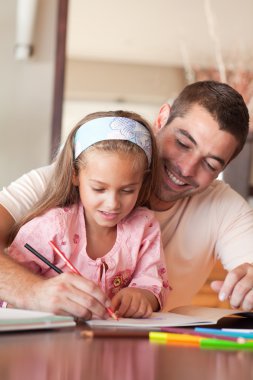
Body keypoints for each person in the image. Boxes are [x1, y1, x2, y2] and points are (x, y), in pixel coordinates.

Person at [0, 80, 253, 315]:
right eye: (183, 143)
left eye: (210, 164)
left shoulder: (225, 208)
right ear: (162, 118)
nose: (186, 168)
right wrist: (33, 291)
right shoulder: (58, 182)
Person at [4, 110, 168, 319]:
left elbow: (154, 283)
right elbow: (10, 297)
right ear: (75, 175)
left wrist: (142, 296)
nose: (113, 203)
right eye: (99, 189)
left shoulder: (145, 226)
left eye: (127, 190)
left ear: (142, 183)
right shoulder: (50, 227)